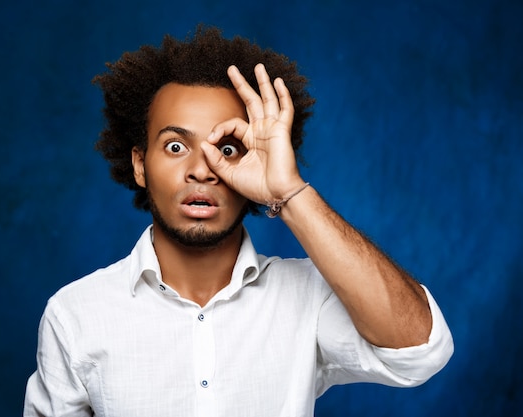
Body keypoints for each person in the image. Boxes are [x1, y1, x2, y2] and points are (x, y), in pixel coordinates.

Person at [24, 26, 453, 417]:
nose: (202, 170)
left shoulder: (308, 296)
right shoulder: (76, 314)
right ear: (139, 164)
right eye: (175, 147)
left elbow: (420, 351)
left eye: (226, 149)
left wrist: (289, 192)